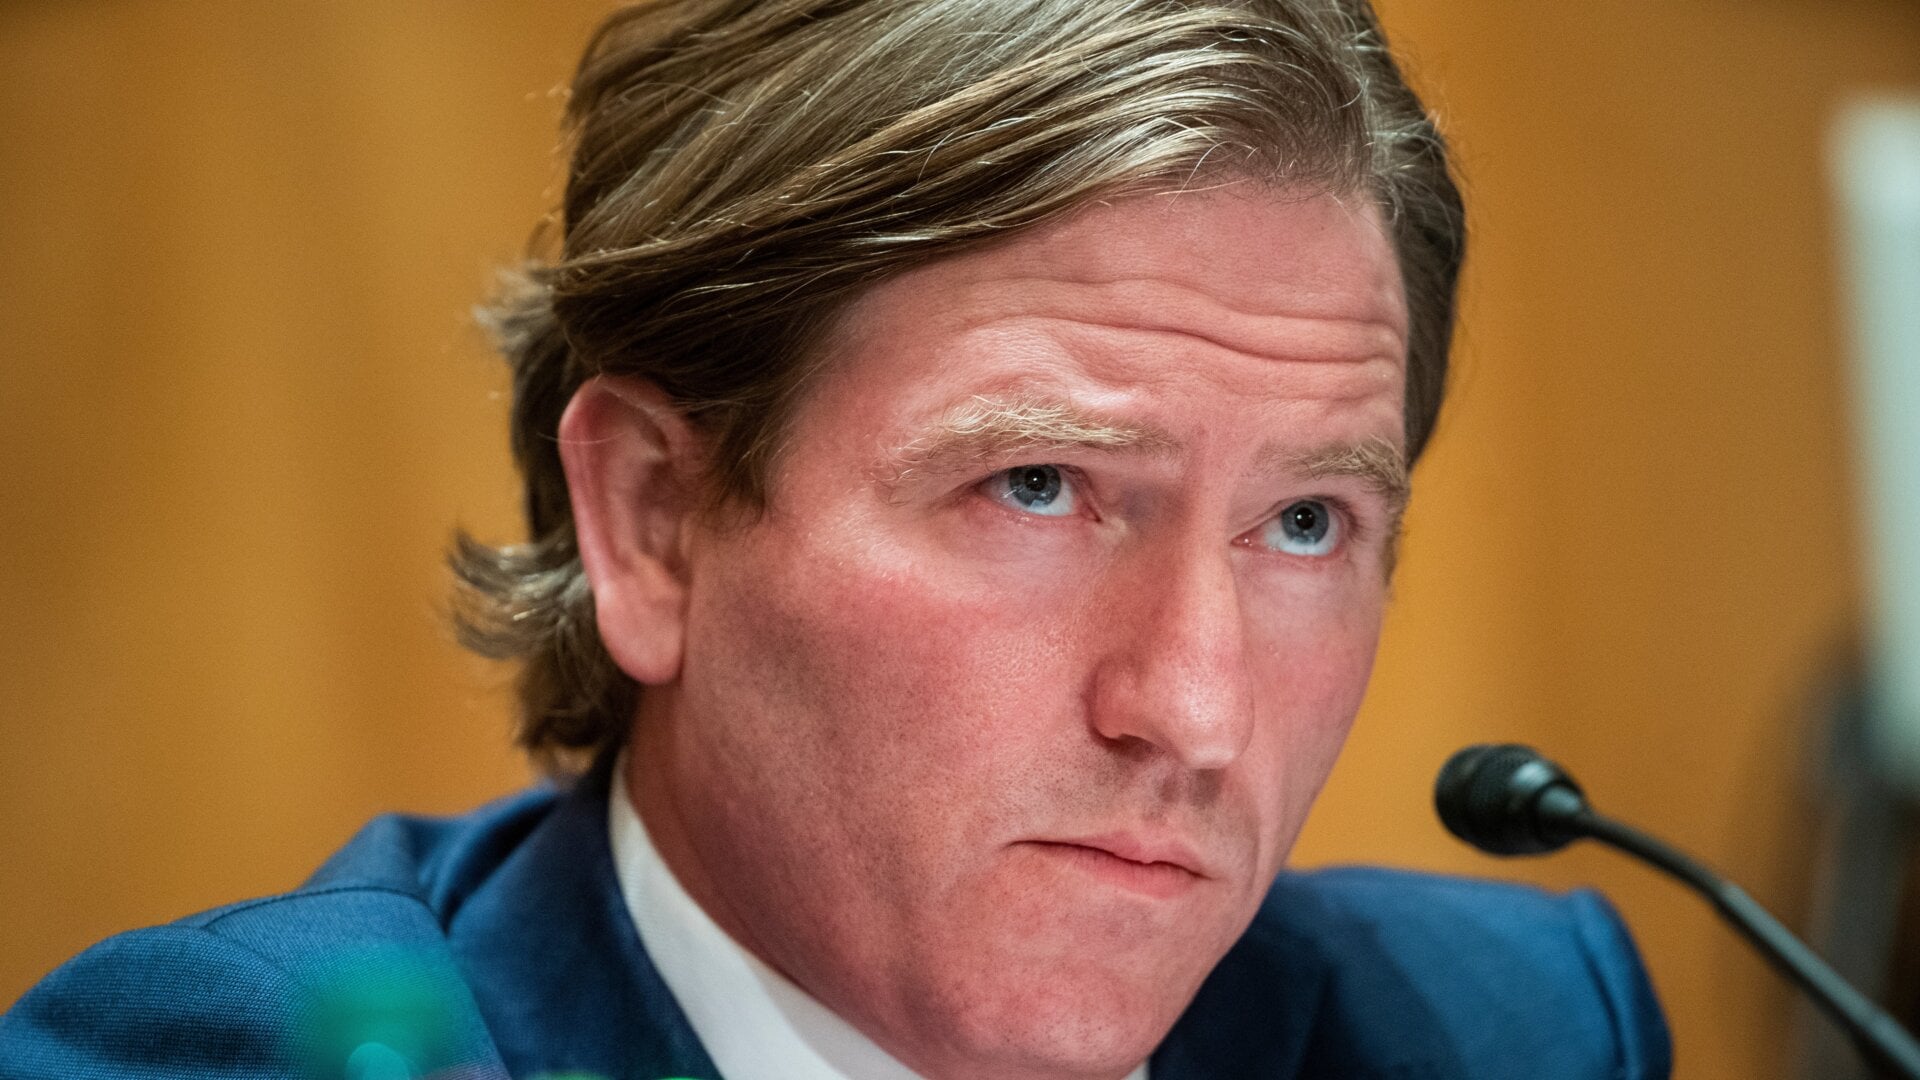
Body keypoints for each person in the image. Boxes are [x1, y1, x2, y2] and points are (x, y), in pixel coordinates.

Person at [0, 1, 1672, 1077]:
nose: (1197, 709)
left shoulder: (1504, 1031)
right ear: (653, 521)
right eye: (1036, 486)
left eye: (1305, 520)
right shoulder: (264, 1056)